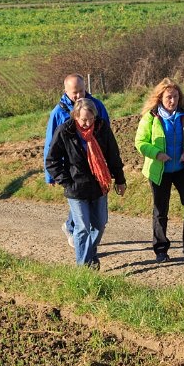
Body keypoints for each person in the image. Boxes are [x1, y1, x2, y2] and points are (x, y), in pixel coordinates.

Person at [45, 98, 126, 270]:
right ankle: (84, 268)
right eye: (83, 120)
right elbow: (51, 161)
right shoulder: (65, 131)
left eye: (90, 119)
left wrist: (120, 179)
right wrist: (67, 182)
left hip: (99, 184)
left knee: (100, 224)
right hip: (76, 188)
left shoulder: (102, 128)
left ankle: (89, 255)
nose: (87, 123)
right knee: (82, 228)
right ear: (75, 116)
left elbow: (113, 155)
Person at [134, 78, 184, 263]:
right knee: (160, 209)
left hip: (182, 168)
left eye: (175, 96)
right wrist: (157, 154)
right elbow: (140, 142)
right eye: (168, 97)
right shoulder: (150, 116)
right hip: (159, 170)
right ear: (159, 98)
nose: (172, 101)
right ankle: (161, 249)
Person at [44, 74, 111, 248]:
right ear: (65, 91)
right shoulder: (57, 113)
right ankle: (80, 240)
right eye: (75, 92)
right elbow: (50, 144)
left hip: (94, 165)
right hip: (71, 168)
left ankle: (72, 228)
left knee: (87, 204)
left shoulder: (96, 106)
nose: (79, 95)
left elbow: (106, 134)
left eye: (82, 90)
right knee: (79, 198)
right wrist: (50, 175)